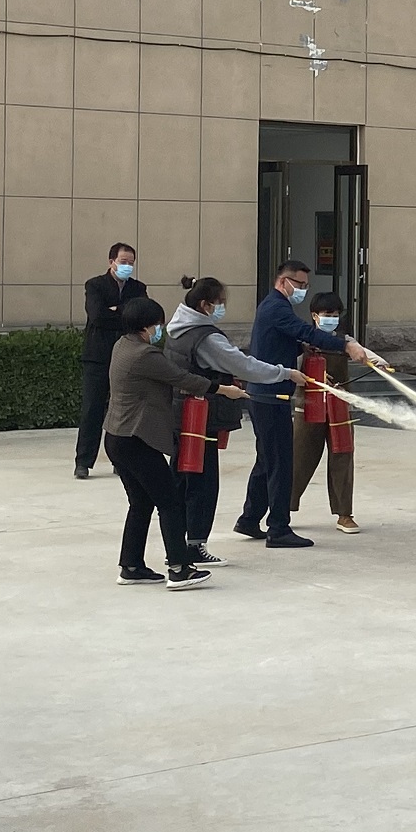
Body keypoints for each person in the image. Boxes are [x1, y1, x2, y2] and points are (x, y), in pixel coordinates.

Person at [105, 296, 271, 589]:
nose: (160, 329)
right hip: (136, 439)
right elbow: (182, 377)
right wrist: (224, 390)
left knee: (141, 502)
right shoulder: (145, 354)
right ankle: (179, 569)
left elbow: (163, 381)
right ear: (146, 326)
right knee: (170, 502)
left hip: (116, 437)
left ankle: (131, 566)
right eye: (157, 324)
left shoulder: (122, 346)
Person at [237, 261, 381, 549]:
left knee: (267, 460)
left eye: (305, 285)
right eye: (299, 285)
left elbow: (286, 340)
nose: (302, 290)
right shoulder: (276, 307)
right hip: (271, 395)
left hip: (266, 394)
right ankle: (278, 529)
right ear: (283, 282)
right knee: (281, 463)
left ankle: (249, 519)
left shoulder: (273, 306)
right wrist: (346, 345)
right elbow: (305, 330)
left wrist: (300, 347)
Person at [164, 276, 295, 562]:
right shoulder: (206, 337)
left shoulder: (176, 328)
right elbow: (243, 365)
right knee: (203, 483)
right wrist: (284, 373)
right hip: (201, 419)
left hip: (179, 414)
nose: (222, 308)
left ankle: (176, 547)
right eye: (220, 303)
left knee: (181, 481)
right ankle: (195, 546)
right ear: (205, 305)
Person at [75, 243, 145, 480]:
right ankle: (84, 461)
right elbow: (97, 316)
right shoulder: (95, 285)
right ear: (111, 262)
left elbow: (140, 317)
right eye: (123, 262)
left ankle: (121, 460)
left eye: (131, 263)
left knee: (124, 410)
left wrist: (116, 310)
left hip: (127, 358)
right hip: (98, 356)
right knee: (92, 409)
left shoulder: (138, 288)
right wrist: (124, 314)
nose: (127, 266)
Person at [291, 292, 359, 534]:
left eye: (336, 314)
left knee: (343, 456)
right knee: (300, 457)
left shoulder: (344, 341)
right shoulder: (302, 341)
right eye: (327, 314)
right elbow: (293, 368)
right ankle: (282, 509)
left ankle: (344, 514)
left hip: (340, 406)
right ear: (314, 315)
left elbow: (360, 352)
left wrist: (377, 362)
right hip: (309, 405)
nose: (332, 318)